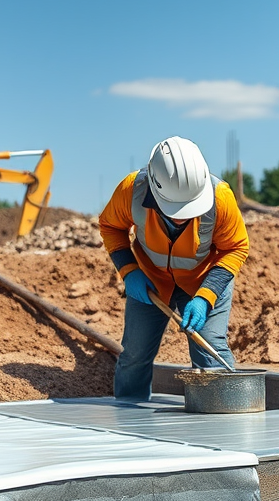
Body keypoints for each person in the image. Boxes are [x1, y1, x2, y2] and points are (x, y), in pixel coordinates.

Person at [98, 136, 248, 401]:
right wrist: (129, 270)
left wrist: (205, 296)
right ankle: (128, 416)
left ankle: (224, 418)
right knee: (135, 353)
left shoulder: (220, 197)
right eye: (174, 210)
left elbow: (235, 248)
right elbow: (111, 227)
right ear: (155, 191)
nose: (182, 217)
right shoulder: (132, 190)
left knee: (210, 351)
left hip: (205, 280)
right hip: (150, 280)